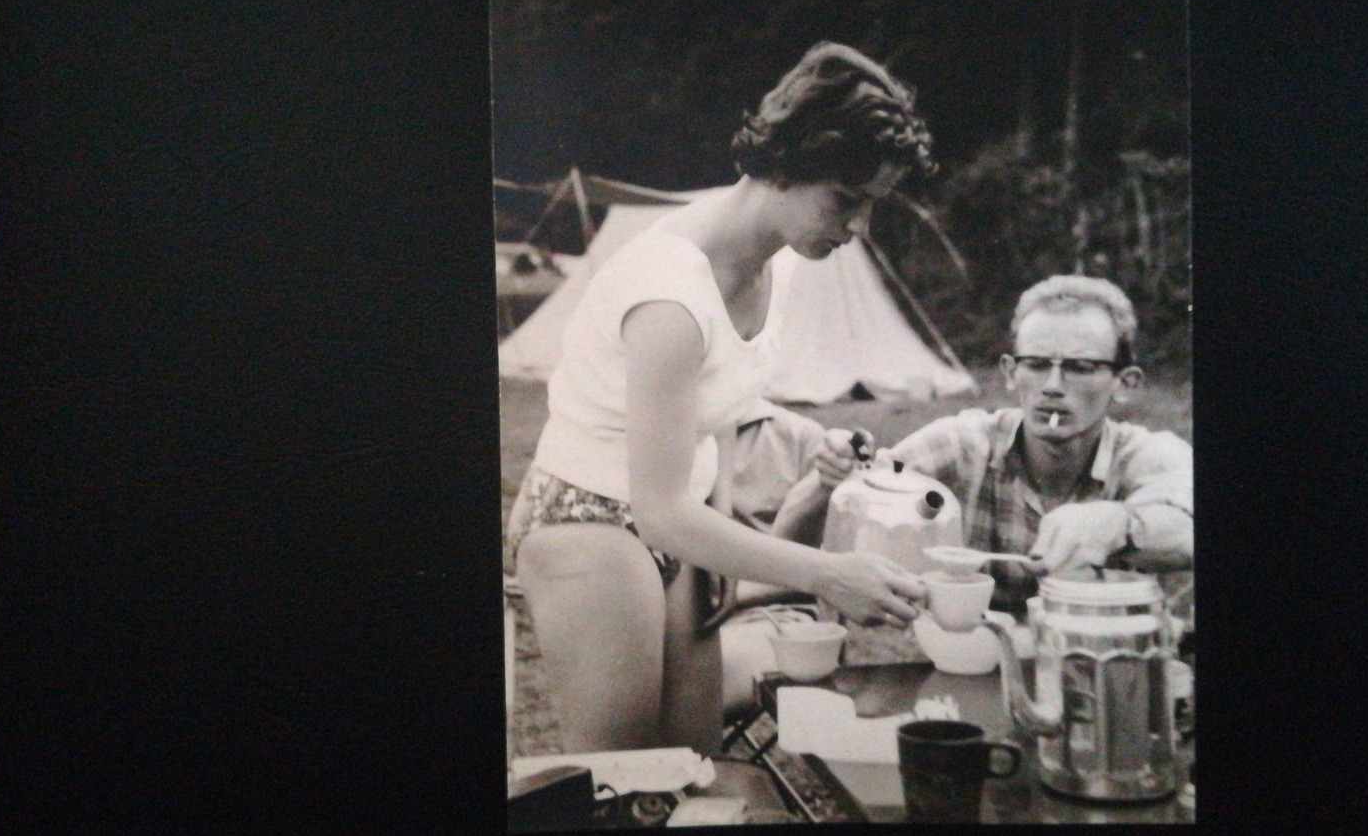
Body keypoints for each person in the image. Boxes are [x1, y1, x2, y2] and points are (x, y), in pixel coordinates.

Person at [506, 42, 935, 753]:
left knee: (692, 757)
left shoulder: (781, 262)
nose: (859, 229)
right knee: (627, 773)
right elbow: (659, 510)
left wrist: (725, 540)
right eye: (847, 201)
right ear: (787, 165)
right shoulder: (670, 296)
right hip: (589, 521)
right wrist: (831, 573)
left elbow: (724, 417)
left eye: (873, 207)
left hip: (684, 523)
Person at [794, 275, 1193, 617]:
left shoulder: (1145, 455)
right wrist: (832, 476)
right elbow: (877, 481)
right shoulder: (965, 444)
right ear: (1009, 373)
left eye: (1080, 367)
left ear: (1126, 384)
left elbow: (1186, 524)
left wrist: (1119, 524)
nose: (1053, 386)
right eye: (1036, 364)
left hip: (1104, 670)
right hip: (976, 665)